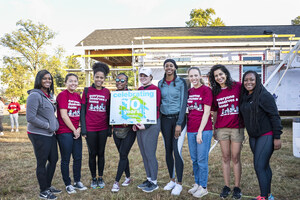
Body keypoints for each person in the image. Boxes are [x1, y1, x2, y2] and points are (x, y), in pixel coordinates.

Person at [239, 71, 282, 200]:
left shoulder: (264, 96)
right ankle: (268, 195)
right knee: (264, 165)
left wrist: (277, 137)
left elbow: (275, 116)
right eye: (246, 80)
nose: (248, 82)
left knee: (258, 166)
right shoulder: (245, 96)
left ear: (257, 80)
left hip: (266, 134)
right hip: (253, 136)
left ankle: (263, 197)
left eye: (252, 79)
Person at [208, 64, 244, 199]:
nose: (219, 77)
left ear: (226, 74)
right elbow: (215, 111)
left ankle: (237, 187)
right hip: (222, 128)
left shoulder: (237, 86)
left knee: (235, 157)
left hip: (237, 127)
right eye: (216, 76)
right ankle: (227, 186)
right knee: (225, 157)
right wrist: (214, 128)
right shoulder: (215, 91)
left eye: (221, 74)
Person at [26, 69, 61, 200]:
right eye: (44, 78)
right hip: (39, 134)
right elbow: (30, 117)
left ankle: (47, 185)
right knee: (42, 162)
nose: (48, 81)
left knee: (54, 159)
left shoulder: (49, 95)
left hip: (50, 134)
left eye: (49, 79)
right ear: (39, 80)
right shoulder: (34, 96)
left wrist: (53, 125)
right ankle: (43, 191)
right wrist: (47, 126)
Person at [158, 59, 188, 196]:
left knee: (177, 151)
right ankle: (172, 179)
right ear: (164, 68)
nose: (169, 68)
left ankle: (180, 183)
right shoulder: (160, 83)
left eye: (171, 66)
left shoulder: (181, 83)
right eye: (166, 66)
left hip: (178, 119)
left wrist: (179, 123)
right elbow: (158, 102)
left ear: (175, 68)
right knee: (168, 150)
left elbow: (183, 104)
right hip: (165, 120)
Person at [80, 62, 110, 189]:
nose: (99, 79)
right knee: (92, 153)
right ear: (93, 77)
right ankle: (93, 178)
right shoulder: (87, 91)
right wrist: (84, 129)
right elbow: (82, 111)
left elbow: (109, 111)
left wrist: (110, 128)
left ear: (104, 79)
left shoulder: (107, 92)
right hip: (90, 129)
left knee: (101, 153)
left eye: (101, 77)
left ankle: (101, 177)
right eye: (97, 77)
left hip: (102, 128)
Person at [56, 73, 87, 194]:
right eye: (70, 81)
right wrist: (74, 130)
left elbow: (80, 113)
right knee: (66, 159)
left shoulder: (78, 96)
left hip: (76, 131)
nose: (73, 83)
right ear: (66, 83)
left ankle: (77, 181)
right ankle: (68, 183)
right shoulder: (62, 95)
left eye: (75, 81)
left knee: (78, 157)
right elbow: (64, 115)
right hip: (64, 131)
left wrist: (78, 127)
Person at [133, 68, 161, 193]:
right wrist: (135, 123)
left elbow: (155, 109)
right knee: (144, 154)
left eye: (145, 75)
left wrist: (147, 125)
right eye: (141, 75)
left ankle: (154, 182)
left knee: (150, 153)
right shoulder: (140, 90)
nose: (143, 77)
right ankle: (149, 178)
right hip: (141, 125)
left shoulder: (155, 90)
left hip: (151, 124)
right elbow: (138, 109)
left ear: (150, 77)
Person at [186, 67, 213, 198]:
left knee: (202, 160)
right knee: (194, 159)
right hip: (191, 129)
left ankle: (203, 187)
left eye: (196, 75)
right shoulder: (189, 91)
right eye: (191, 76)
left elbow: (207, 112)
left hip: (204, 130)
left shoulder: (206, 90)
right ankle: (197, 183)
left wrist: (200, 132)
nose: (194, 78)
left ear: (200, 75)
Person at [111, 73, 137, 192]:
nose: (119, 82)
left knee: (122, 155)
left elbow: (136, 111)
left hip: (129, 130)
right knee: (123, 154)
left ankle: (116, 182)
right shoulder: (113, 95)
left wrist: (131, 121)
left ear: (126, 82)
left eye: (122, 80)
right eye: (117, 80)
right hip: (116, 129)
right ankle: (128, 177)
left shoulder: (132, 94)